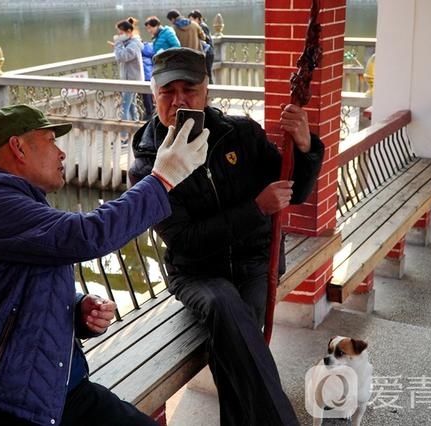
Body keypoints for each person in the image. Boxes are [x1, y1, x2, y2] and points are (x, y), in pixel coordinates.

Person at [0, 103, 209, 426]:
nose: (61, 154)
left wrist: (76, 311)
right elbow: (85, 235)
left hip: (54, 390)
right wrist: (161, 180)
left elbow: (20, 292)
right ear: (18, 147)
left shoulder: (24, 203)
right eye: (50, 141)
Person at [128, 48, 325, 426]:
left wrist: (304, 147)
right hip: (196, 273)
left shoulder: (241, 134)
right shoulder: (147, 167)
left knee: (234, 344)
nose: (179, 100)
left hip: (255, 263)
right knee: (225, 307)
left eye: (190, 90)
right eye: (169, 92)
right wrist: (255, 209)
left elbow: (294, 192)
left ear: (207, 91)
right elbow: (184, 241)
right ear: (154, 95)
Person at [111, 18, 144, 143]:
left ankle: (124, 137)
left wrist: (117, 44)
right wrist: (119, 45)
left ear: (129, 31)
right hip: (129, 80)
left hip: (132, 81)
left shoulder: (134, 44)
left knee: (124, 108)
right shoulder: (130, 42)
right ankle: (137, 134)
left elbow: (122, 57)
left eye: (120, 33)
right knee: (131, 107)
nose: (119, 35)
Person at [188, 9, 215, 83]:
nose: (191, 22)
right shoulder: (198, 26)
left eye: (192, 19)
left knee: (208, 74)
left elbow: (206, 38)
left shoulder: (202, 26)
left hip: (208, 53)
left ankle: (211, 91)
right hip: (204, 53)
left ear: (197, 19)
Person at [141, 40, 155, 119]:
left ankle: (149, 114)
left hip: (145, 76)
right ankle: (151, 112)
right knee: (150, 95)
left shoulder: (140, 52)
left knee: (147, 97)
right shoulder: (150, 48)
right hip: (151, 75)